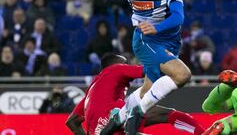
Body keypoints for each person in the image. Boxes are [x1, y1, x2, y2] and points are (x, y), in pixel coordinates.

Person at [78, 0, 191, 135]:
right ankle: (136, 113)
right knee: (182, 75)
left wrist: (159, 27)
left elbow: (178, 16)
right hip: (145, 39)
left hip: (171, 39)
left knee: (147, 91)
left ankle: (118, 117)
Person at [66, 53, 204, 135]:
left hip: (105, 130)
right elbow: (151, 69)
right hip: (116, 118)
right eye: (125, 63)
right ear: (114, 64)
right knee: (168, 114)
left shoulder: (91, 92)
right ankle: (203, 133)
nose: (127, 66)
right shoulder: (116, 69)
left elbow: (72, 122)